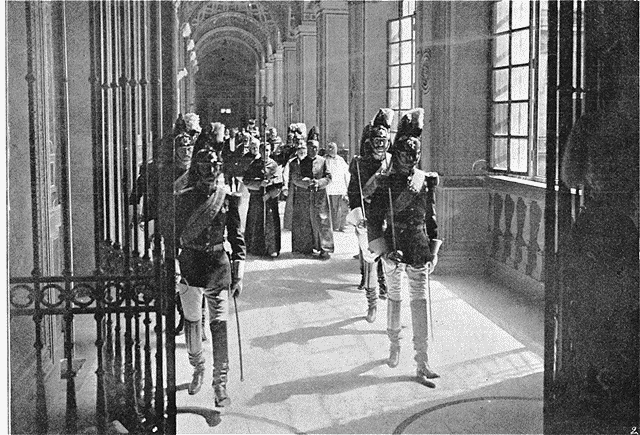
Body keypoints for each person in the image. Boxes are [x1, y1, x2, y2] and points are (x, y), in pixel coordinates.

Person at [367, 108, 442, 387]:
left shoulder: (424, 181)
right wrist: (384, 250)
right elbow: (374, 221)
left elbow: (431, 218)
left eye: (415, 155)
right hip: (394, 247)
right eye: (406, 154)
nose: (411, 159)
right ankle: (394, 345)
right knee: (396, 298)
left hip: (419, 247)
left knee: (420, 303)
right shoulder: (385, 183)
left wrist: (433, 249)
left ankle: (422, 361)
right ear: (396, 153)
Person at [174, 145, 246, 406]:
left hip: (217, 266)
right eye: (205, 168)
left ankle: (220, 384)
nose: (210, 173)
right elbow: (173, 237)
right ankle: (198, 368)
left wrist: (238, 276)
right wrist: (175, 268)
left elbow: (237, 240)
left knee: (219, 324)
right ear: (197, 170)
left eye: (214, 168)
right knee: (193, 322)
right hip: (191, 265)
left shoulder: (227, 199)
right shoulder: (183, 199)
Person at [346, 108, 394, 323]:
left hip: (389, 215)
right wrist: (358, 219)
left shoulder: (392, 162)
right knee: (371, 260)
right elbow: (353, 193)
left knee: (392, 260)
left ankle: (392, 300)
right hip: (368, 216)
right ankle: (372, 304)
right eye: (376, 141)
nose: (380, 145)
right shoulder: (359, 164)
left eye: (383, 141)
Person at [290, 134, 334, 258]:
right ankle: (305, 248)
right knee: (304, 220)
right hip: (304, 195)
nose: (314, 150)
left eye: (316, 148)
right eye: (311, 147)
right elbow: (295, 178)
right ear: (307, 148)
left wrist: (319, 183)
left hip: (320, 196)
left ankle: (325, 248)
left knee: (322, 220)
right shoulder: (300, 162)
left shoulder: (323, 161)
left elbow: (329, 177)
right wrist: (307, 183)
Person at [243, 140, 283, 257]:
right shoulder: (254, 165)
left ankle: (271, 248)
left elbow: (279, 185)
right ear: (259, 151)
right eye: (263, 150)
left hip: (270, 200)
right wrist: (259, 183)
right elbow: (246, 181)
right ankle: (255, 248)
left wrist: (269, 194)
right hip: (256, 198)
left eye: (267, 150)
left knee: (271, 222)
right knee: (255, 221)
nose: (265, 153)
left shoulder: (274, 165)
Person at [282, 123, 307, 230]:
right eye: (299, 148)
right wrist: (285, 186)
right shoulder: (292, 161)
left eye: (303, 148)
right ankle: (289, 224)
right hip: (293, 186)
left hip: (305, 186)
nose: (301, 151)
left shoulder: (309, 161)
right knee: (291, 205)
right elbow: (285, 173)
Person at [324, 142, 350, 232]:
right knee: (333, 209)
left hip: (341, 188)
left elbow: (347, 173)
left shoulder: (340, 160)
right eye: (329, 148)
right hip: (330, 188)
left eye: (333, 148)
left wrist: (348, 186)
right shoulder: (324, 159)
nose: (331, 150)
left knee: (344, 208)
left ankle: (343, 225)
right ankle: (334, 226)